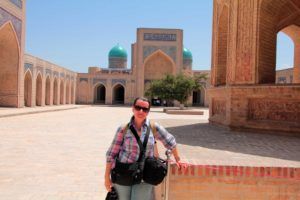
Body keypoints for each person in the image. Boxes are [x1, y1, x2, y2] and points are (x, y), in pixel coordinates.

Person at [104, 97, 183, 200]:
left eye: (145, 109)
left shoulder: (154, 127)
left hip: (145, 174)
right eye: (138, 107)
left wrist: (178, 159)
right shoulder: (123, 129)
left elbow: (170, 142)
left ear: (148, 112)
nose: (141, 111)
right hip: (123, 173)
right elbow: (111, 154)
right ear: (133, 108)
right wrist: (106, 178)